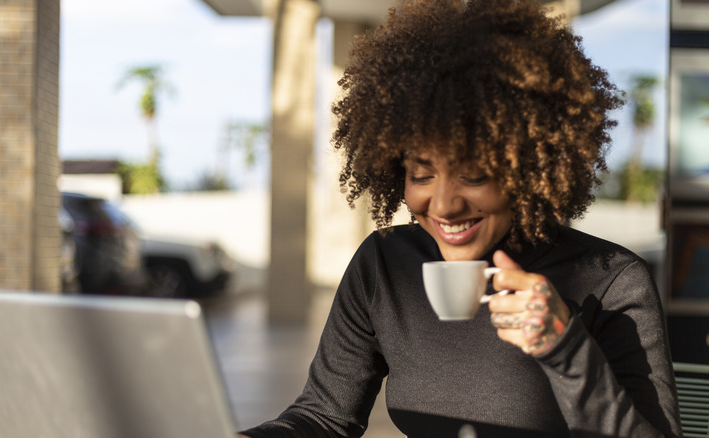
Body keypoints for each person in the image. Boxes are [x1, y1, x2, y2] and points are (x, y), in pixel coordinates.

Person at [240, 0, 682, 436]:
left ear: (527, 170)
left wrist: (565, 350)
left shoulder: (612, 283)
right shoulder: (385, 264)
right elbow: (323, 416)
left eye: (473, 175)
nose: (445, 205)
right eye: (421, 174)